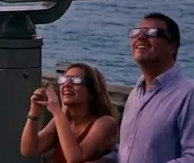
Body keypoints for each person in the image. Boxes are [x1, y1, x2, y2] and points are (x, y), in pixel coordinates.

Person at [97, 12, 194, 163]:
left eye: (151, 33)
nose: (140, 37)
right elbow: (126, 149)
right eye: (136, 32)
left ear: (172, 47)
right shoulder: (136, 94)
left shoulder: (188, 94)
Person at [19, 63, 117, 163]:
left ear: (91, 93)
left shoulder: (105, 123)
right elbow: (28, 149)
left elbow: (75, 158)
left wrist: (57, 111)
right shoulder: (63, 118)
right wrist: (34, 111)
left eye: (75, 81)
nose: (67, 85)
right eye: (64, 80)